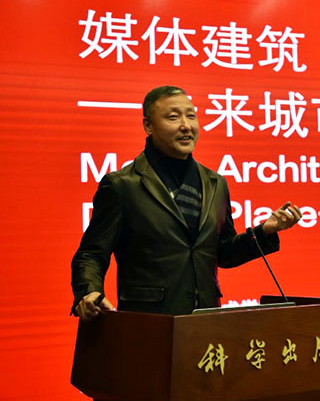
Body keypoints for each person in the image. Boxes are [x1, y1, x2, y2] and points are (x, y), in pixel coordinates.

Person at [71, 85, 302, 322]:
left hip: (205, 321)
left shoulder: (215, 183)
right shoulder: (123, 185)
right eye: (173, 117)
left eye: (191, 116)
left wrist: (265, 232)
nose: (186, 125)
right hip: (149, 322)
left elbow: (223, 252)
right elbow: (91, 253)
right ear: (148, 125)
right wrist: (89, 291)